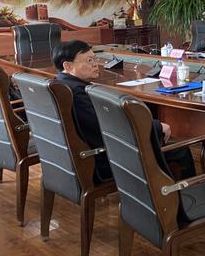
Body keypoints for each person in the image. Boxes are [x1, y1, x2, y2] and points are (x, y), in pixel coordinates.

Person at [53, 40, 195, 182]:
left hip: (77, 159)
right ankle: (177, 194)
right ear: (68, 66)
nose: (95, 64)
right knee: (180, 151)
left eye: (95, 58)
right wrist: (156, 127)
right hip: (105, 160)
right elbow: (111, 126)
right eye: (89, 60)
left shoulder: (60, 84)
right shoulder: (77, 93)